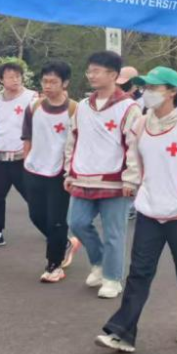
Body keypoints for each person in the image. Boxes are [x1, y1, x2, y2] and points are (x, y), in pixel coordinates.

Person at [95, 67, 177, 353]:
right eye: (145, 87)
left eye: (154, 87)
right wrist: (132, 182)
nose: (147, 92)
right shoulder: (141, 124)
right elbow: (134, 158)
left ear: (172, 91)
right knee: (139, 271)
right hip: (150, 209)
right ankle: (122, 331)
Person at [64, 51, 142, 299]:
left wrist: (131, 178)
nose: (91, 75)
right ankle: (98, 262)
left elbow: (134, 145)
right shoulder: (82, 106)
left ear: (113, 75)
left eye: (97, 71)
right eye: (90, 71)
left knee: (114, 232)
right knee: (76, 223)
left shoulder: (129, 107)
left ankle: (112, 278)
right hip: (82, 176)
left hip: (115, 180)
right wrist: (69, 172)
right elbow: (72, 140)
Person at [22, 61, 79, 283]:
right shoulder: (34, 107)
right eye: (45, 81)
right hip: (34, 168)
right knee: (36, 215)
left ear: (65, 83)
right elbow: (27, 136)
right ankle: (64, 243)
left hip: (60, 172)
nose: (48, 86)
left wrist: (73, 171)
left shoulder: (75, 109)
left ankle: (54, 265)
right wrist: (26, 159)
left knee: (56, 219)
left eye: (53, 82)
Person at [0, 62, 37, 248]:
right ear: (1, 80)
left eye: (18, 76)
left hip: (23, 159)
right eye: (11, 76)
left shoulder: (32, 98)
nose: (16, 80)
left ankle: (55, 231)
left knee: (35, 197)